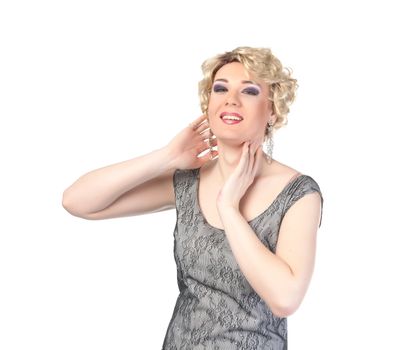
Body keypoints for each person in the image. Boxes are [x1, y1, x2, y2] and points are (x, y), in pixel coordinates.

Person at [62, 46, 324, 349]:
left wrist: (228, 207)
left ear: (273, 110)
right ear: (208, 103)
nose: (231, 99)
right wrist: (166, 156)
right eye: (220, 88)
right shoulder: (190, 183)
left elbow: (285, 299)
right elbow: (77, 201)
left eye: (250, 91)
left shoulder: (298, 192)